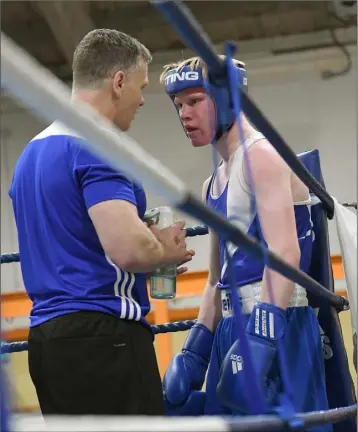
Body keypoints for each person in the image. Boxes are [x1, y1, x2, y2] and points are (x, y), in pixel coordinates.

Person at [8, 29, 194, 416]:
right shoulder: (98, 144)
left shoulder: (31, 153)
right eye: (141, 87)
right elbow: (129, 249)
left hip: (46, 341)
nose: (142, 99)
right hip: (104, 338)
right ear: (118, 82)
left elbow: (74, 229)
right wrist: (166, 251)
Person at [159, 56, 331, 429]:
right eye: (178, 106)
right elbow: (214, 278)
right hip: (231, 331)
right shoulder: (212, 184)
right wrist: (195, 350)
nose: (184, 115)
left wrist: (260, 340)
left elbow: (286, 253)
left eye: (194, 101)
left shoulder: (262, 157)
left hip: (277, 323)